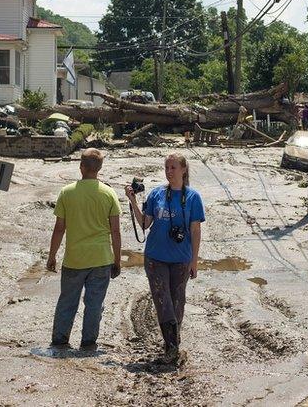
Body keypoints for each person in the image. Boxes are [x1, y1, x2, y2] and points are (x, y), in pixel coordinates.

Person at [125, 153, 205, 364]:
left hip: (181, 258)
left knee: (178, 301)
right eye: (167, 168)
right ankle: (171, 346)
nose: (169, 172)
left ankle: (173, 340)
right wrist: (133, 200)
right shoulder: (156, 194)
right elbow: (145, 224)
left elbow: (195, 231)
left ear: (183, 170)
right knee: (162, 299)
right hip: (155, 257)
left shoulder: (193, 197)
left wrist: (194, 261)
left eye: (173, 168)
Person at [47, 148, 122, 352]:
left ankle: (60, 341)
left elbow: (59, 229)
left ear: (81, 167)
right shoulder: (109, 193)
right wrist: (117, 260)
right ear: (99, 169)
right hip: (101, 259)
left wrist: (52, 256)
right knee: (94, 303)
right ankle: (88, 343)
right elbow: (115, 231)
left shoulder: (67, 192)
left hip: (74, 259)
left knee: (67, 301)